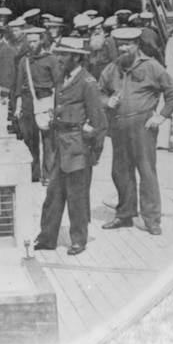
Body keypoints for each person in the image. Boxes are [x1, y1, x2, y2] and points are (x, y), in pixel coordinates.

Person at [99, 28, 173, 235]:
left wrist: (161, 116)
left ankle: (152, 220)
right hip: (118, 128)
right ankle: (125, 214)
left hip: (143, 128)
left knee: (146, 172)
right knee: (120, 172)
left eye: (127, 44)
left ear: (137, 44)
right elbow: (98, 93)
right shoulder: (111, 68)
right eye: (119, 45)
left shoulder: (152, 66)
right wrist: (107, 101)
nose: (123, 49)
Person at [33, 37, 107, 255]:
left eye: (63, 55)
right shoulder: (61, 79)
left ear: (76, 57)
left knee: (77, 196)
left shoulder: (88, 83)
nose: (59, 58)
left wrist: (95, 152)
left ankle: (78, 240)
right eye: (58, 54)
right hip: (61, 144)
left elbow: (99, 122)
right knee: (53, 194)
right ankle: (47, 238)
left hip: (78, 147)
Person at [12, 27, 61, 183]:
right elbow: (19, 86)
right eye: (29, 41)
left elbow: (58, 83)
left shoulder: (51, 59)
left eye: (35, 41)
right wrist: (18, 107)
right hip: (28, 101)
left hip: (46, 100)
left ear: (42, 40)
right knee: (30, 138)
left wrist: (56, 105)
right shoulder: (24, 61)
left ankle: (49, 175)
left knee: (48, 139)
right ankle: (33, 173)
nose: (32, 44)